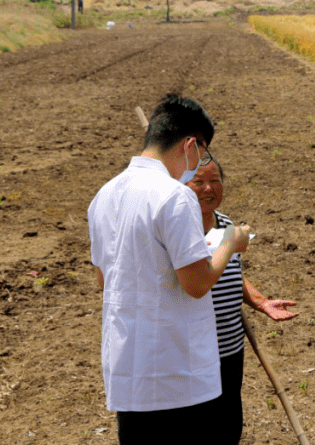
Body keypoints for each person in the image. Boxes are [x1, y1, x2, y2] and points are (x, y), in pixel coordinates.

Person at [88, 93, 251, 444]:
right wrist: (231, 241)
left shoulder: (104, 195)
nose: (200, 161)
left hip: (130, 375)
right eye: (202, 151)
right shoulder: (175, 197)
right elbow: (197, 282)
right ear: (190, 144)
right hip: (178, 378)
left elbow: (104, 279)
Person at [187, 160, 298, 445]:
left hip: (230, 348)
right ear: (182, 185)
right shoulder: (180, 229)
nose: (208, 188)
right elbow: (197, 278)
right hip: (192, 352)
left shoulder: (226, 225)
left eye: (215, 181)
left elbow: (229, 272)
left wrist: (260, 302)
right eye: (198, 182)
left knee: (228, 427)